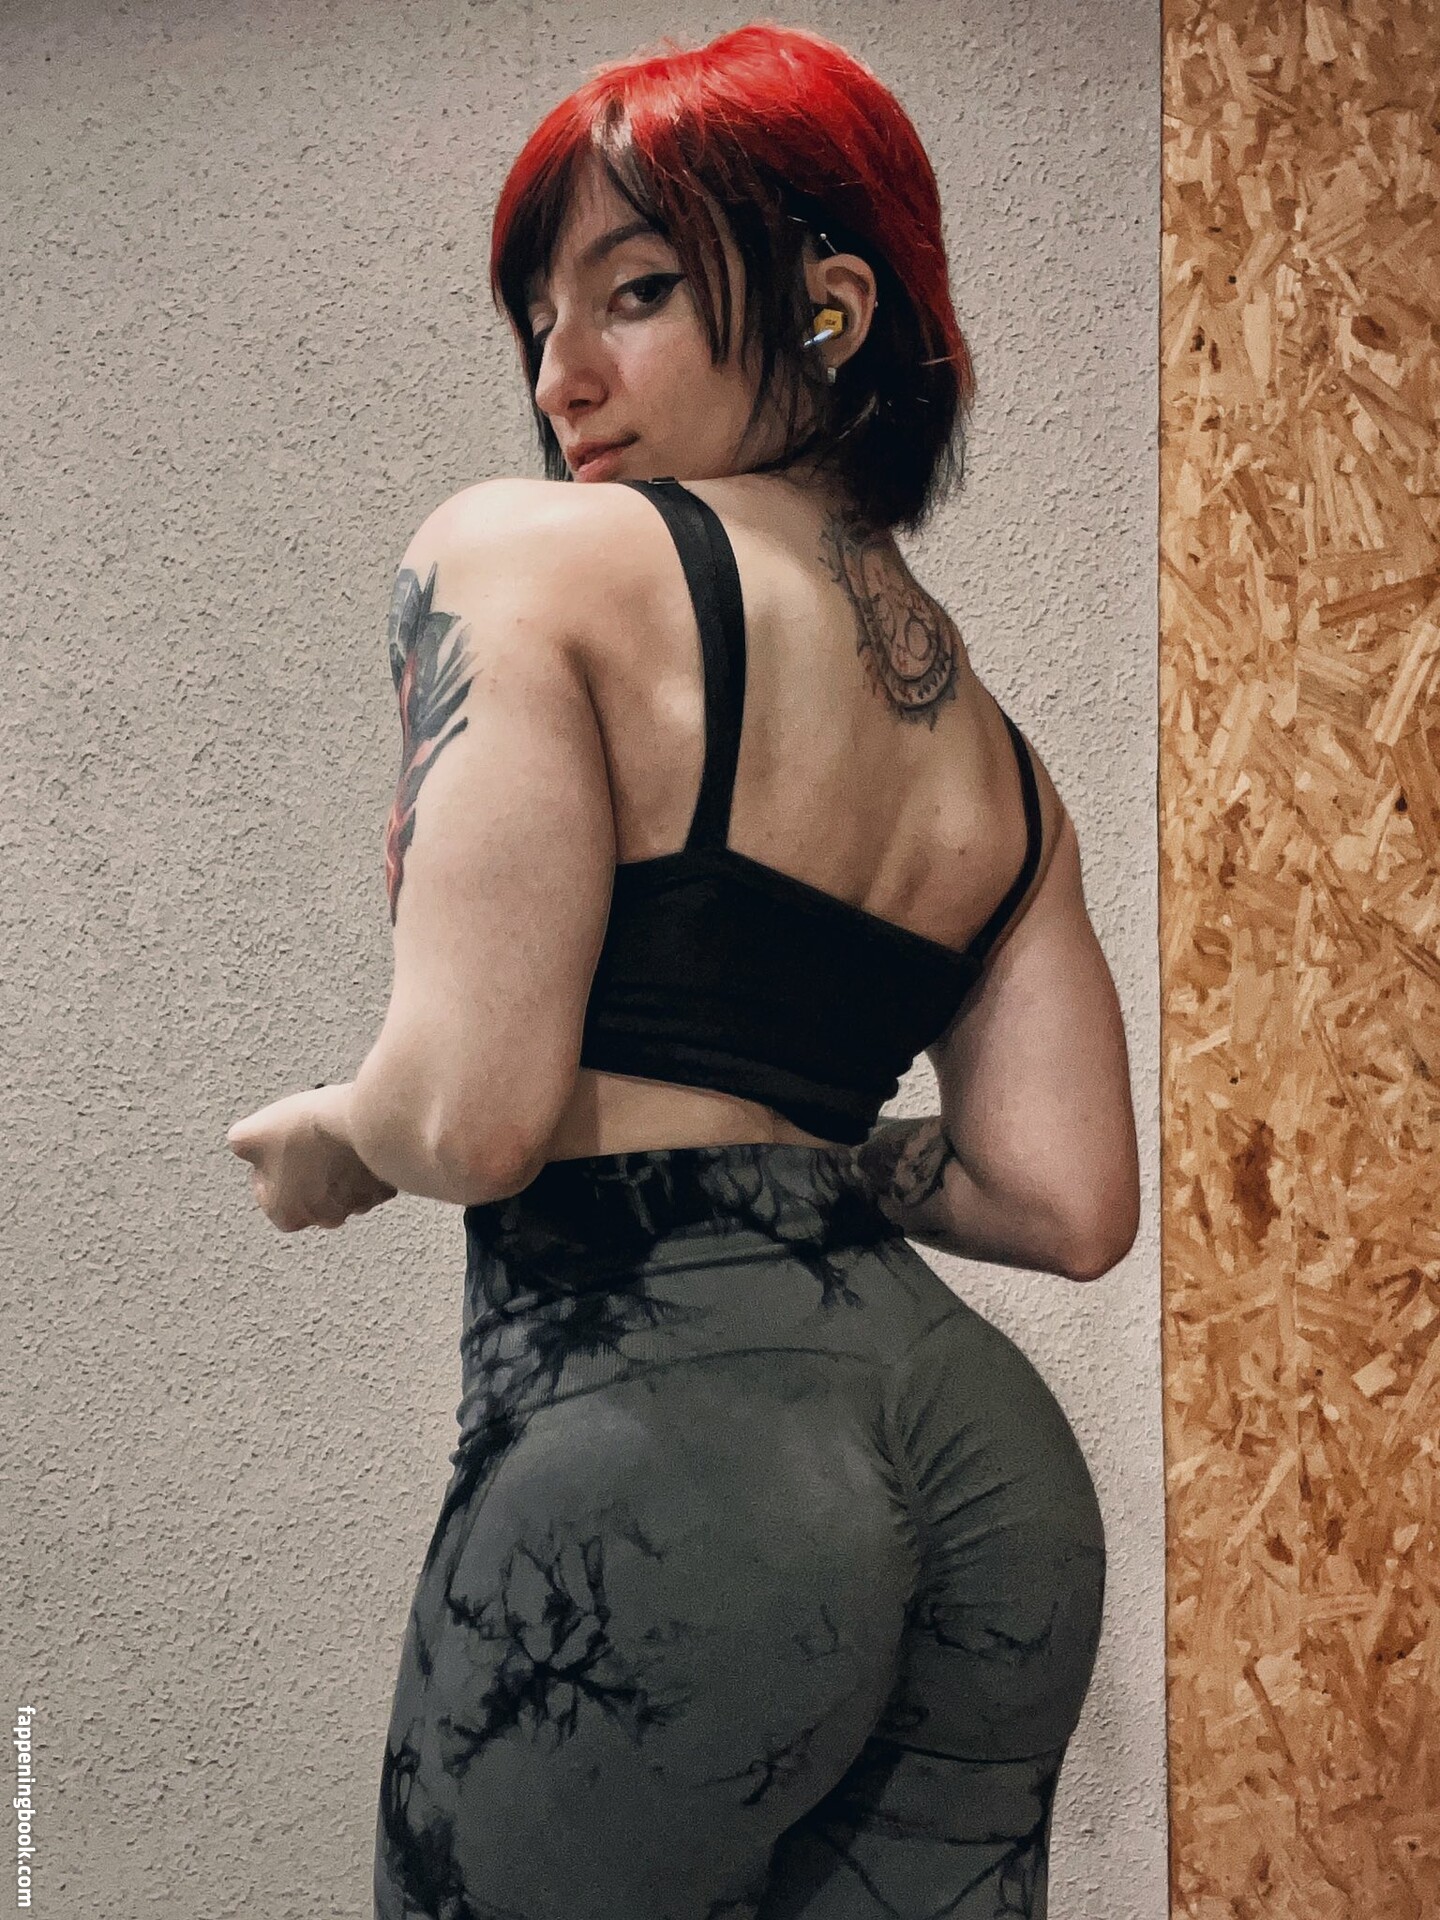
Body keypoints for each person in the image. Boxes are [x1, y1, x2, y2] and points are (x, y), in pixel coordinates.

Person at [226, 22, 1140, 1919]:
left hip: (667, 1470)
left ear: (829, 308)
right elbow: (1068, 1204)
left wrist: (336, 1132)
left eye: (632, 292)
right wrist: (807, 1169)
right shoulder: (1001, 764)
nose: (560, 374)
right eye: (536, 318)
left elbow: (470, 1112)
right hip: (989, 1475)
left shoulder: (527, 558)